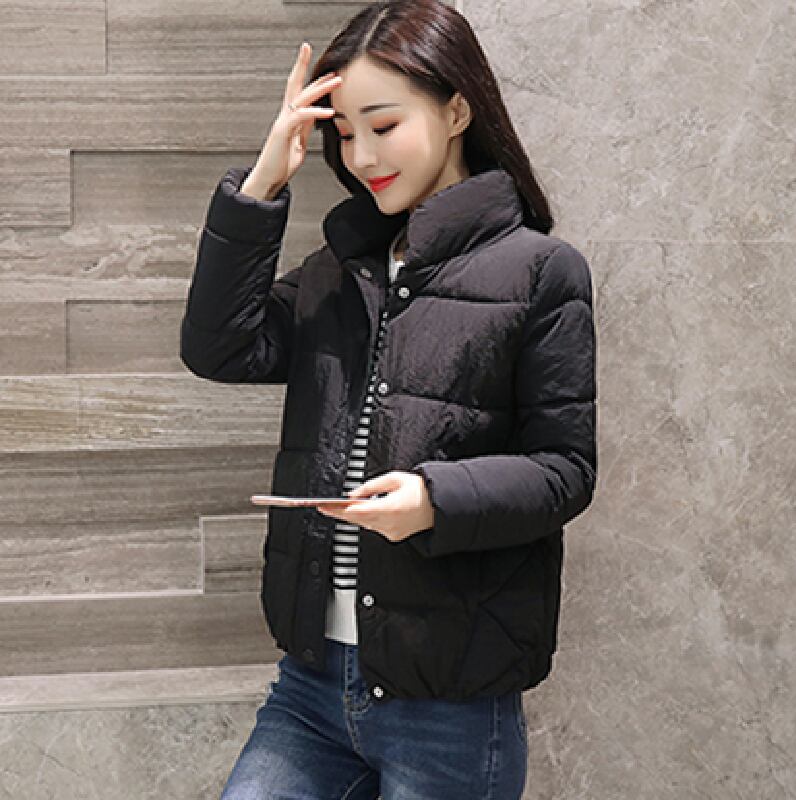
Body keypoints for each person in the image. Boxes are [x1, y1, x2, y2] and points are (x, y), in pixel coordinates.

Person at [180, 1, 596, 797]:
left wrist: (434, 500)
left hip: (450, 704)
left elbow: (564, 470)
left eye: (384, 124)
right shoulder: (341, 271)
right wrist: (264, 181)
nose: (362, 154)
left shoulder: (542, 272)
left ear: (457, 110)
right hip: (311, 688)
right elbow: (220, 347)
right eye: (344, 132)